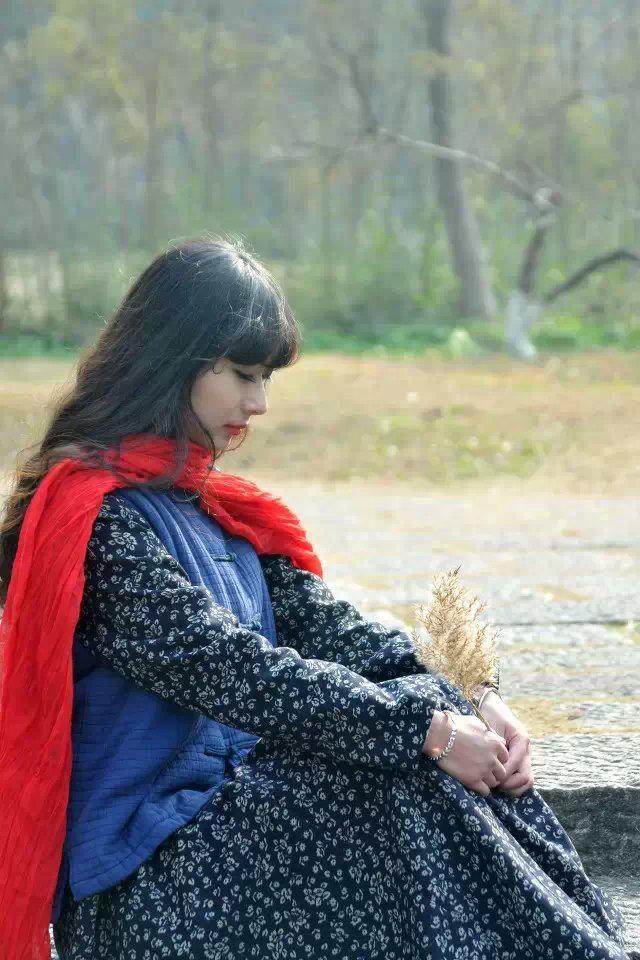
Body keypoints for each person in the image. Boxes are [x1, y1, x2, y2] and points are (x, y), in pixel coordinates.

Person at [0, 235, 628, 960]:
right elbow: (234, 670)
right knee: (406, 763)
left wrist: (477, 698)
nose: (259, 403)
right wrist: (427, 732)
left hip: (231, 821)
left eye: (265, 378)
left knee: (432, 717)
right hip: (154, 870)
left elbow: (336, 633)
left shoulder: (212, 508)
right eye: (243, 375)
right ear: (172, 360)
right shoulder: (98, 521)